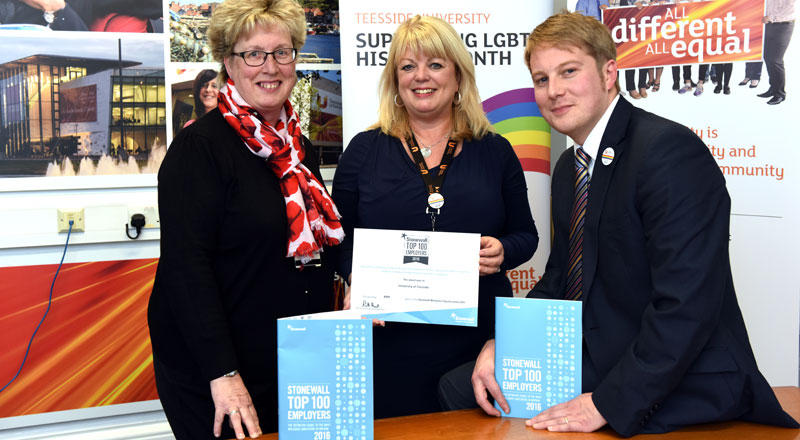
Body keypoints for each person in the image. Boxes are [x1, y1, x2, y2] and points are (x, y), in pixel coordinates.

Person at [463, 11, 799, 437]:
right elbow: (561, 278)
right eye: (542, 79)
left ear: (609, 73)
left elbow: (687, 304)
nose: (554, 91)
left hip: (679, 376)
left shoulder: (668, 151)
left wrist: (605, 403)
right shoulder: (570, 166)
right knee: (464, 387)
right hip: (602, 350)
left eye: (569, 71)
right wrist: (504, 342)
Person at [148, 0, 343, 438]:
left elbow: (319, 241)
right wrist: (223, 375)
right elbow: (185, 270)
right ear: (228, 64)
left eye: (282, 52)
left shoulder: (297, 147)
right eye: (253, 53)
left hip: (288, 357)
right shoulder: (199, 149)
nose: (269, 67)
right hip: (218, 371)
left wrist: (356, 284)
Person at [332, 15, 538, 419]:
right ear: (395, 80)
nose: (420, 77)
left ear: (458, 77)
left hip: (478, 344)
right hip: (390, 338)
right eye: (407, 66)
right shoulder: (363, 151)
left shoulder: (495, 151)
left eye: (435, 64)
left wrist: (502, 251)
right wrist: (357, 278)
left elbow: (525, 235)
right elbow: (339, 238)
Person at [756, 0, 795, 105]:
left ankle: (780, 94)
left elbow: (790, 7)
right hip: (768, 24)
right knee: (768, 58)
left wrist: (771, 17)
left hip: (783, 25)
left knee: (776, 60)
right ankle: (773, 89)